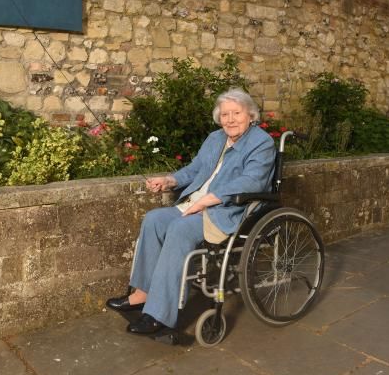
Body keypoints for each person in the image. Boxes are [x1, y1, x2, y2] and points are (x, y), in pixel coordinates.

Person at [106, 88, 277, 335]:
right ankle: (143, 293)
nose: (230, 119)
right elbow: (194, 169)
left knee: (179, 228)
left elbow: (252, 181)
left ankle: (159, 315)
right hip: (193, 204)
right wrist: (169, 181)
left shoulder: (261, 142)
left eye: (236, 113)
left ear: (250, 115)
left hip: (228, 210)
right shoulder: (215, 138)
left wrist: (208, 200)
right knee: (154, 219)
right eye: (225, 114)